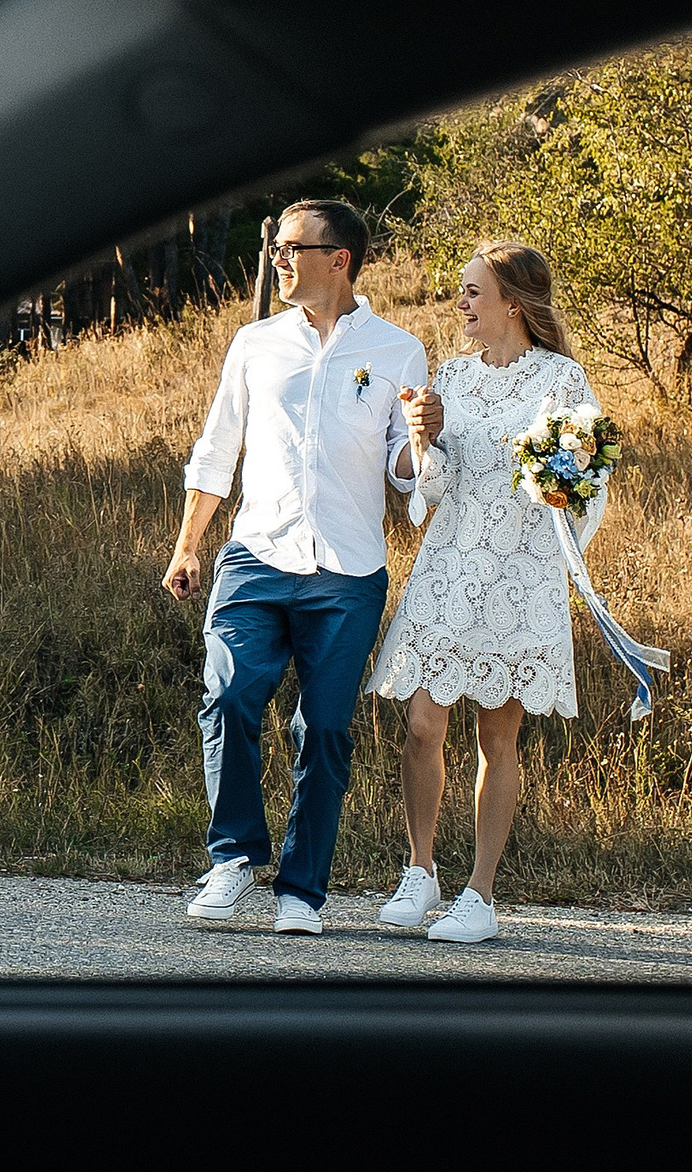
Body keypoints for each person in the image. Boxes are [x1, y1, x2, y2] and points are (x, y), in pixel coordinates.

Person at [164, 199, 428, 932]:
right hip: (255, 555)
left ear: (338, 259)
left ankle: (301, 891)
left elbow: (403, 473)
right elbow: (218, 449)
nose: (277, 259)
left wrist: (421, 439)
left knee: (323, 730)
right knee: (228, 694)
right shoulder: (254, 343)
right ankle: (235, 858)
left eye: (290, 247)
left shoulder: (399, 350)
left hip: (347, 572)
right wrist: (190, 543)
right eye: (274, 247)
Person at [366, 240, 603, 944]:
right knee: (421, 724)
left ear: (512, 301)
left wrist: (552, 467)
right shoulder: (452, 377)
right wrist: (425, 440)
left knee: (496, 734)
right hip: (448, 566)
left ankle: (481, 892)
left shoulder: (564, 381)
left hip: (517, 575)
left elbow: (577, 490)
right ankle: (420, 868)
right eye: (461, 291)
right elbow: (430, 488)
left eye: (473, 291)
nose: (461, 303)